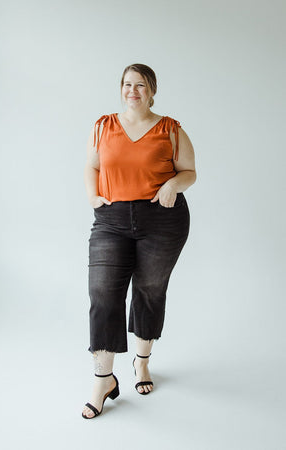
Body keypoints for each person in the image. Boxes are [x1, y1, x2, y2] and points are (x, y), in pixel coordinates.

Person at [82, 63, 196, 419]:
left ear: (152, 90)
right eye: (127, 84)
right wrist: (92, 195)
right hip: (111, 220)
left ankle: (142, 362)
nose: (133, 91)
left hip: (162, 220)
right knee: (103, 293)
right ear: (121, 88)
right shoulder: (103, 126)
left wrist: (172, 185)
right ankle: (104, 378)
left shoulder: (171, 129)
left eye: (141, 85)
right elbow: (93, 166)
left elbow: (189, 171)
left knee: (149, 290)